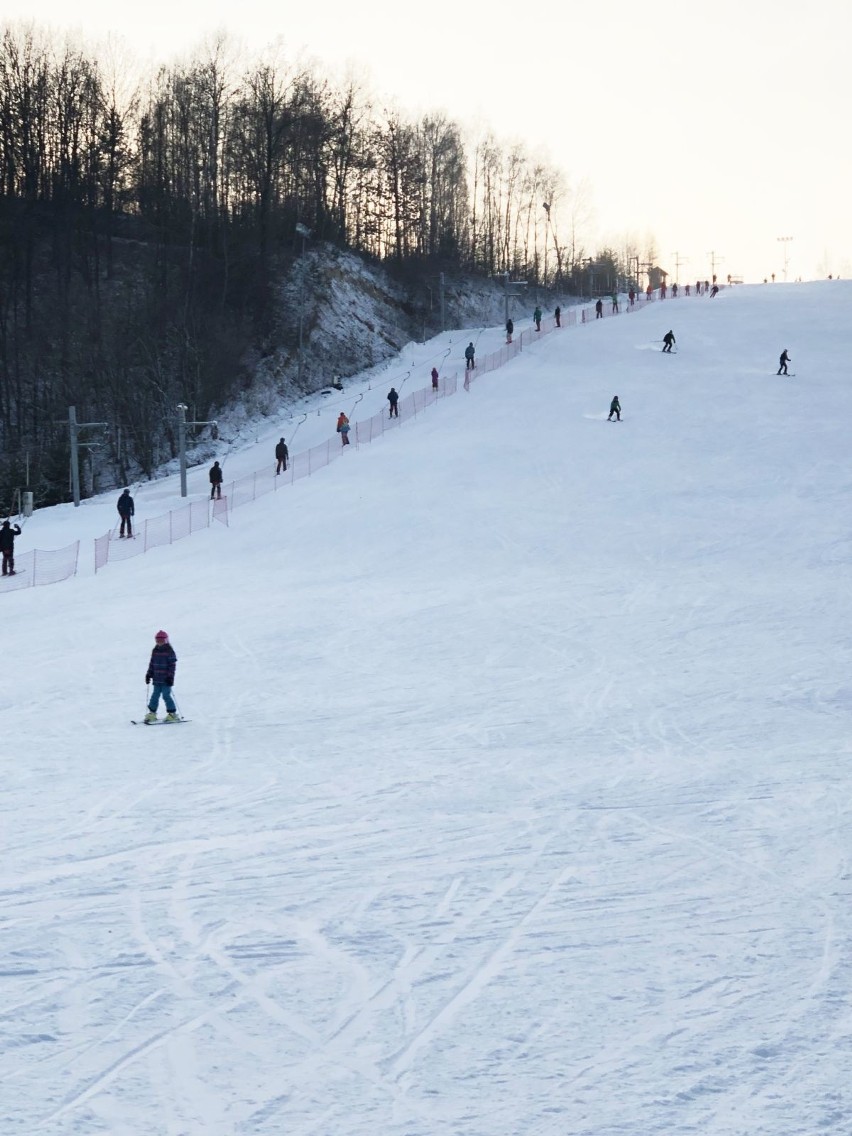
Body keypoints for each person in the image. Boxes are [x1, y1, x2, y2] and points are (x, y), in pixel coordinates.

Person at [144, 630, 179, 723]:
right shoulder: (155, 651)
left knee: (166, 695)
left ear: (166, 640)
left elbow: (172, 666)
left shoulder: (169, 651)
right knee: (154, 696)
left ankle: (173, 714)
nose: (159, 643)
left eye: (161, 641)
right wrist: (149, 674)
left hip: (166, 680)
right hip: (156, 679)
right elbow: (152, 664)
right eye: (157, 641)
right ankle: (152, 713)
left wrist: (170, 677)